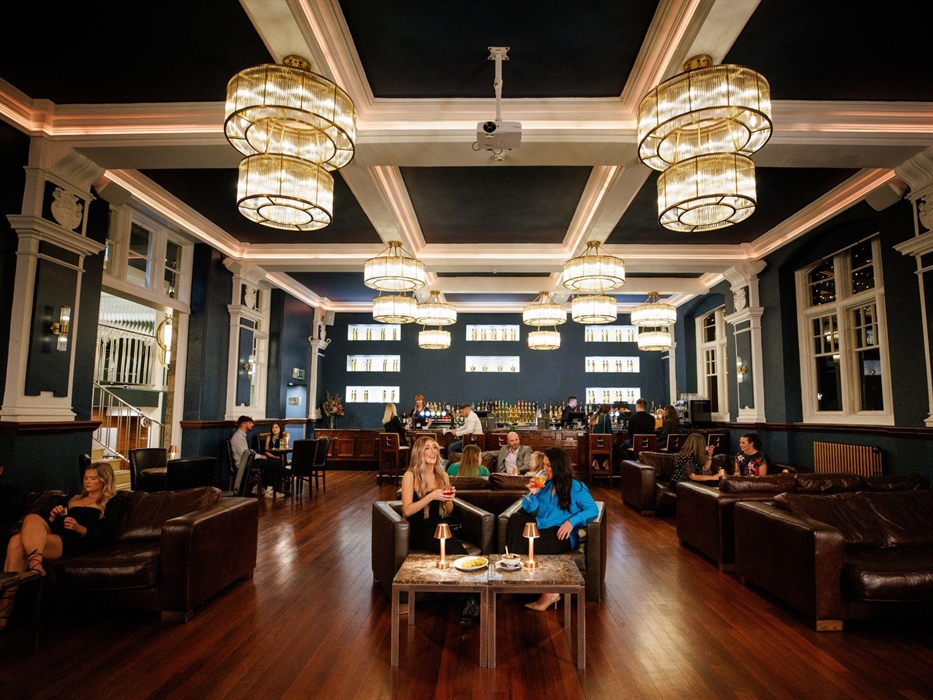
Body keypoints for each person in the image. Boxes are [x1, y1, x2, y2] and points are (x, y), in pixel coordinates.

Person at [1, 462, 128, 630]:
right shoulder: (73, 499)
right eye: (85, 478)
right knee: (29, 521)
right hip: (57, 536)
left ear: (104, 480)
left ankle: (4, 606)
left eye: (93, 478)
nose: (87, 482)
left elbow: (108, 535)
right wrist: (54, 517)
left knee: (17, 542)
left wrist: (80, 528)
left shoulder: (113, 501)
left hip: (77, 541)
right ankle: (36, 567)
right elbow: (43, 528)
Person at [506, 447, 598, 611]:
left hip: (561, 534)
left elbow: (593, 510)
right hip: (541, 528)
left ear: (558, 466)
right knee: (515, 519)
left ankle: (548, 592)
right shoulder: (545, 484)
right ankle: (518, 572)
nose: (544, 469)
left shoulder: (576, 487)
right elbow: (528, 508)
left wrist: (572, 522)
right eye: (544, 465)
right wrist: (533, 493)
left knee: (526, 544)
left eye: (548, 465)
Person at [401, 437, 478, 626]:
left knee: (457, 552)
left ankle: (470, 601)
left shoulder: (442, 475)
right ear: (419, 452)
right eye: (427, 448)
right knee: (459, 553)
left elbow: (449, 511)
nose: (432, 451)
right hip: (420, 530)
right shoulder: (410, 475)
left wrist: (448, 499)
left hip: (440, 527)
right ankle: (476, 596)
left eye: (434, 447)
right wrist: (431, 496)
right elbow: (407, 510)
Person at [231, 416, 279, 495]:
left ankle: (260, 487)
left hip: (247, 462)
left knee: (271, 463)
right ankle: (269, 490)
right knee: (274, 463)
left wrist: (260, 456)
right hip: (244, 464)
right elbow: (245, 455)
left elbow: (248, 452)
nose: (252, 425)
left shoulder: (241, 436)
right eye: (250, 423)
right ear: (244, 424)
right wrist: (260, 456)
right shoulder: (238, 437)